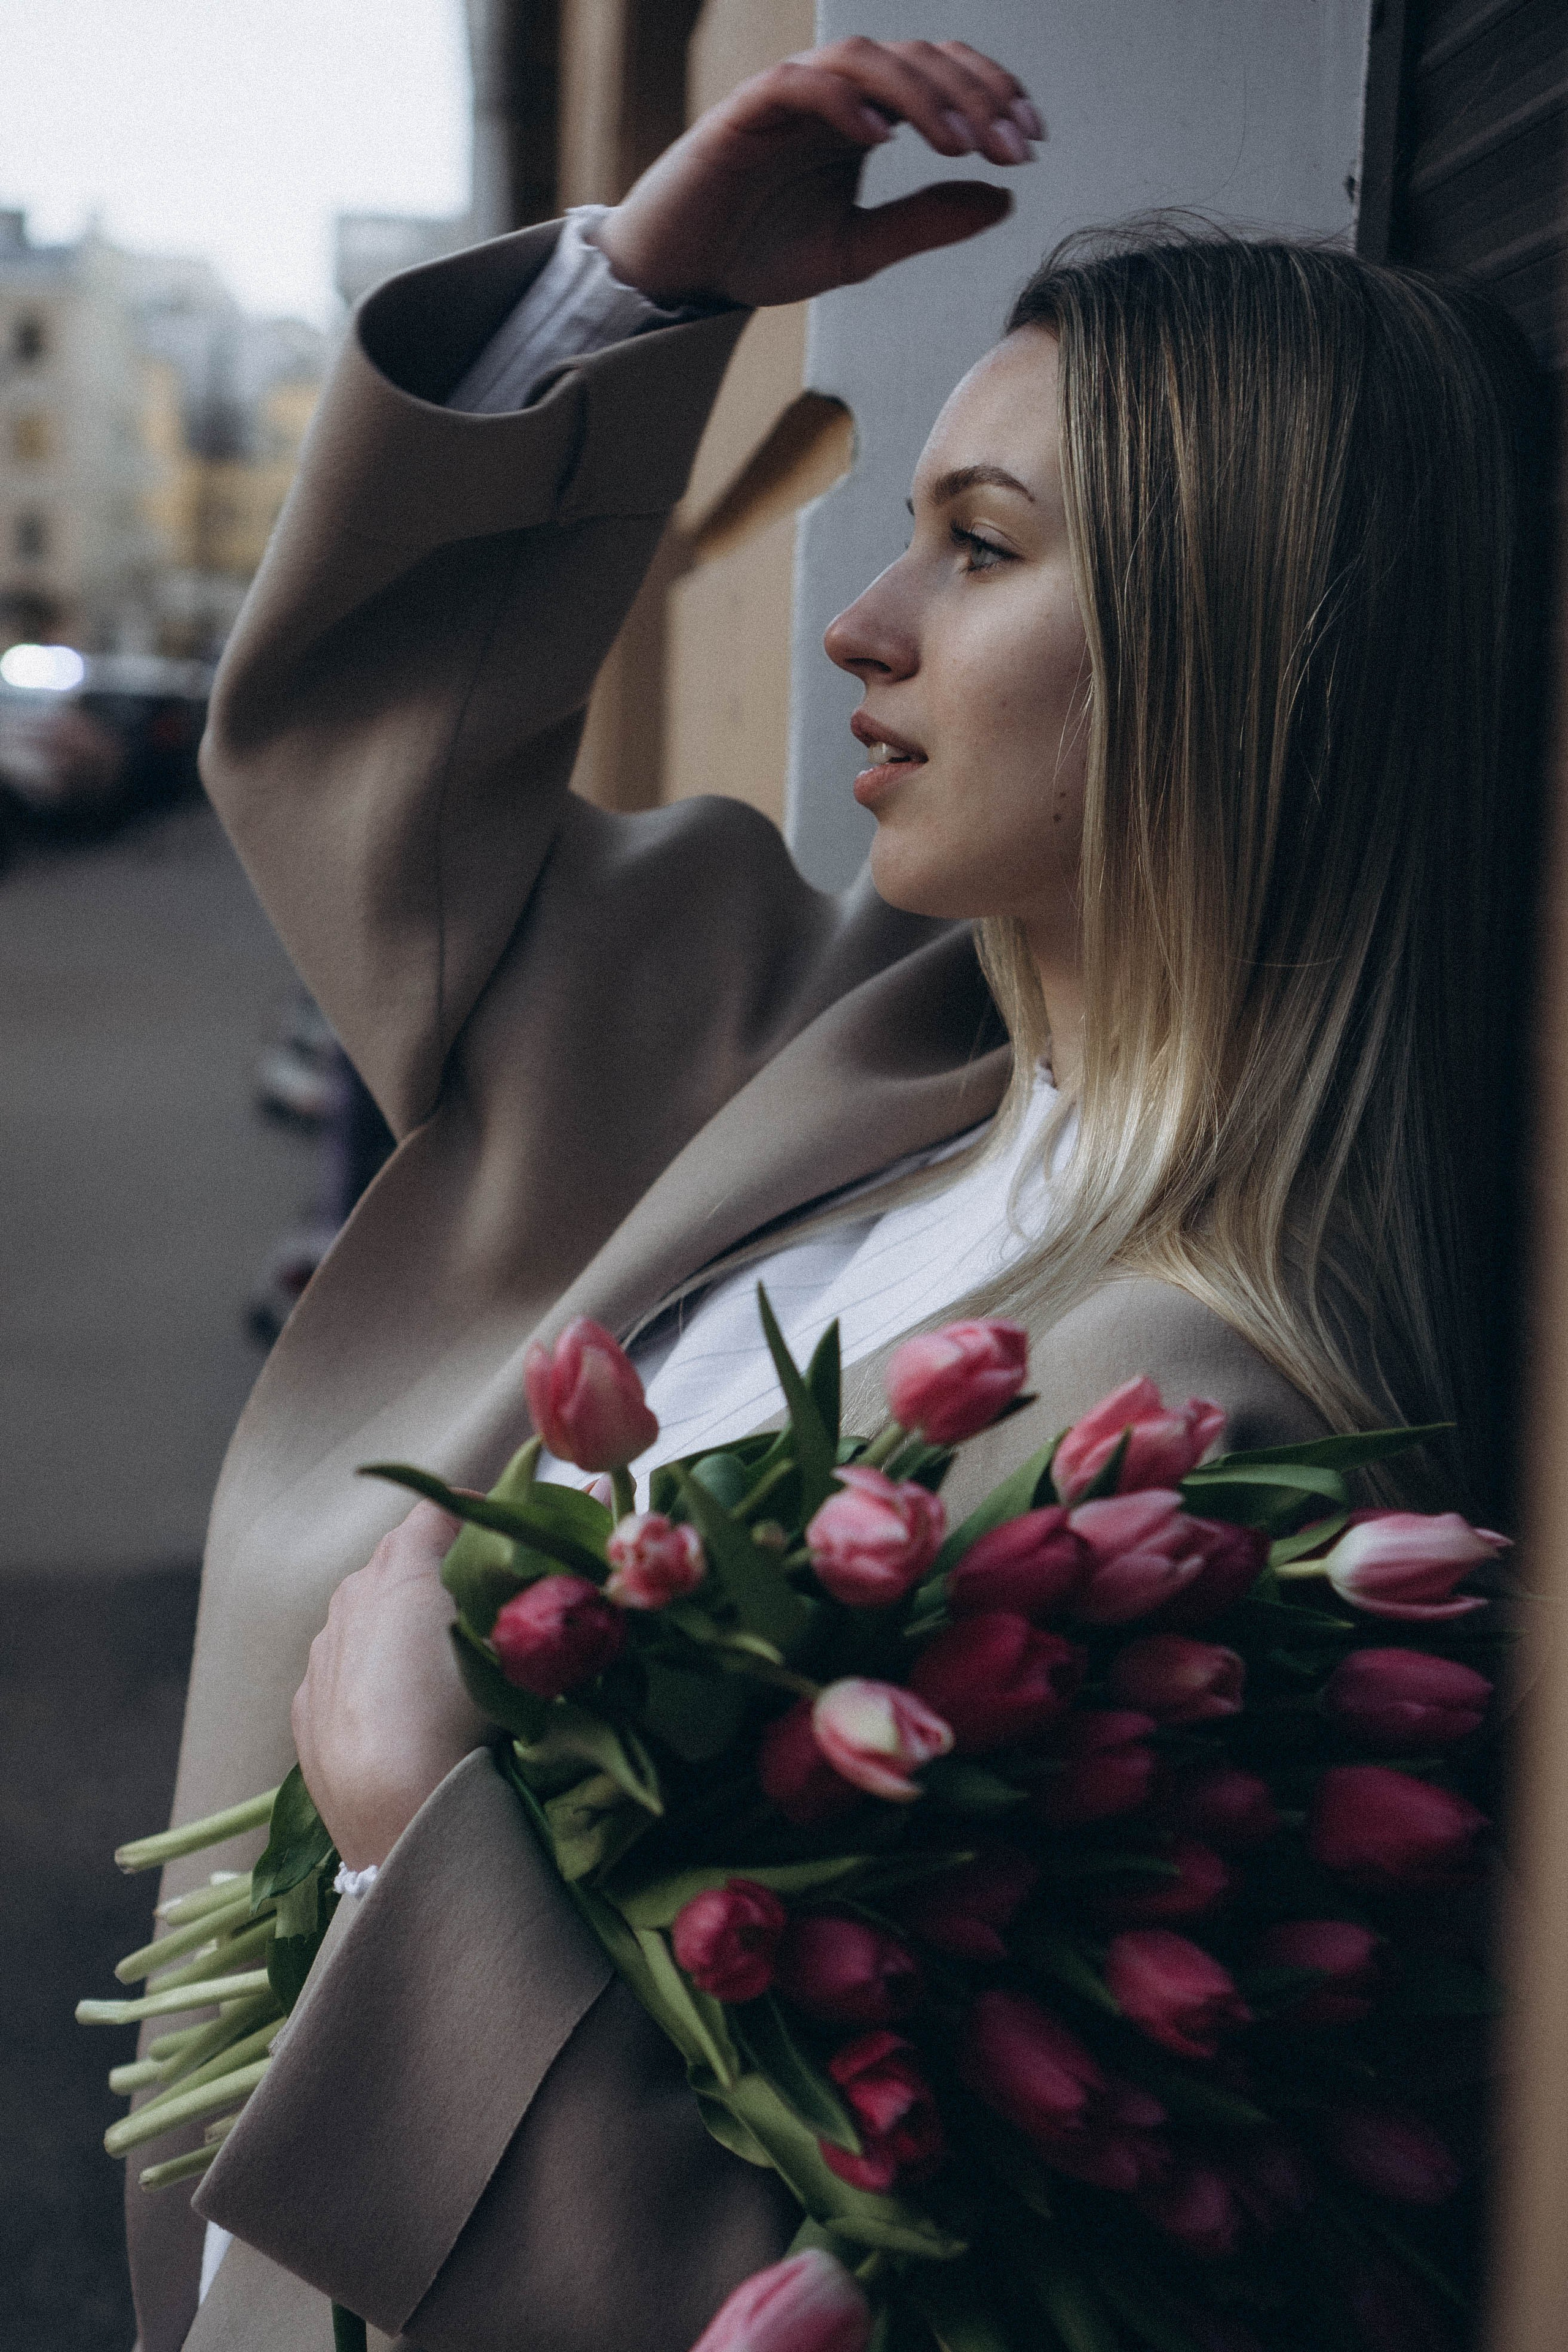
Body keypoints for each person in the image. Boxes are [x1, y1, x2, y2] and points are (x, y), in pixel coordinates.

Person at [133, 36, 1543, 2352]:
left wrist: (414, 1837)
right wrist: (636, 298)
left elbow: (868, 2268)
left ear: (1243, 659)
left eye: (978, 553)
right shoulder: (858, 1043)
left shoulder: (1197, 1443)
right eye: (903, 530)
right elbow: (375, 794)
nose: (861, 626)